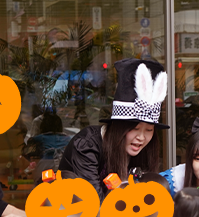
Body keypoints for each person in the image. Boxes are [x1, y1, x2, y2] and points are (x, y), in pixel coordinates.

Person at [58, 59, 169, 204]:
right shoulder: (87, 145)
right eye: (135, 128)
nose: (141, 137)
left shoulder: (143, 152)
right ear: (119, 127)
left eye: (149, 130)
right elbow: (93, 203)